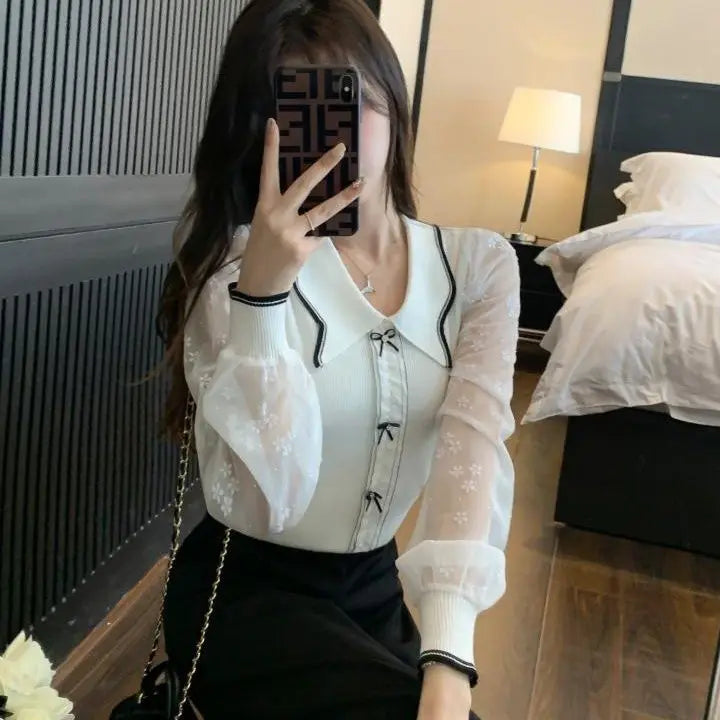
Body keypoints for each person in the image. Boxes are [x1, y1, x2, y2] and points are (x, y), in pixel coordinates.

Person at [158, 1, 520, 718]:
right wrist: (263, 298)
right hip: (245, 597)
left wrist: (449, 658)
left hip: (376, 597)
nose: (333, 133)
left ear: (394, 98)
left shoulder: (479, 268)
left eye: (349, 95)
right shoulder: (229, 275)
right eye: (298, 108)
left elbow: (470, 454)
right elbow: (269, 501)